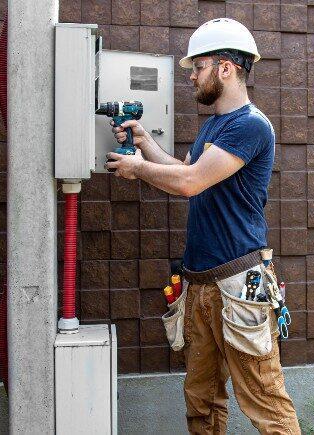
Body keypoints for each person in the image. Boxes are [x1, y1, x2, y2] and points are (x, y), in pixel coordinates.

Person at [105, 18, 301, 435]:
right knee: (202, 400)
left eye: (199, 66)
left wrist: (138, 170)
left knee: (266, 403)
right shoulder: (215, 125)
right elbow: (187, 170)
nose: (192, 75)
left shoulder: (250, 125)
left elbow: (191, 183)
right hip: (201, 284)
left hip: (238, 285)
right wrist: (145, 143)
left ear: (226, 68)